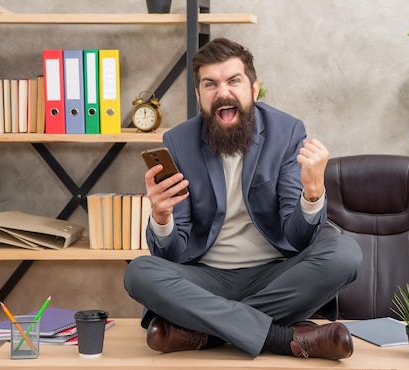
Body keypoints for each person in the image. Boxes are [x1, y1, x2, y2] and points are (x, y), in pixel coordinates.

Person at [124, 37, 362, 361]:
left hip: (275, 273)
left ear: (253, 89)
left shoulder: (287, 131)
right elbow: (173, 254)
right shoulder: (178, 141)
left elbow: (299, 238)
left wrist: (313, 193)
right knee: (139, 272)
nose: (223, 92)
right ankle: (281, 338)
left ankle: (206, 333)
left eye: (233, 81)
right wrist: (162, 218)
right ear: (199, 96)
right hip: (207, 277)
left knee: (345, 253)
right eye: (210, 84)